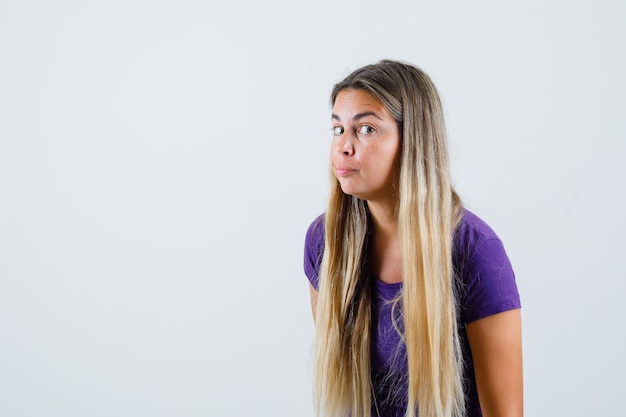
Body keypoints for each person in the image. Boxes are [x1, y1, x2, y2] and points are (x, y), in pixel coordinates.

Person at [303, 60, 522, 417]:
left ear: (413, 141)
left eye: (367, 129)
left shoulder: (475, 251)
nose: (344, 146)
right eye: (337, 128)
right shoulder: (325, 242)